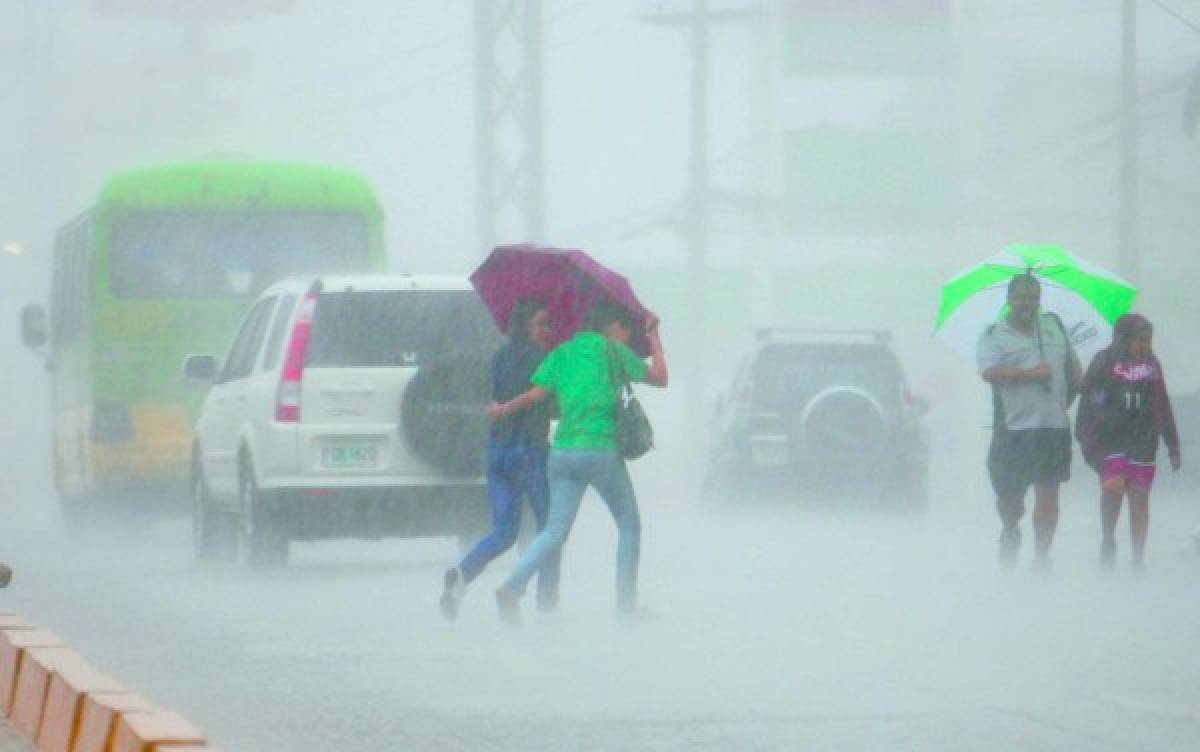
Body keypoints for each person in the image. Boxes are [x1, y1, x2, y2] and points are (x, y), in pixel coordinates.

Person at [487, 299, 667, 623]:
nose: (628, 337)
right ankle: (626, 607)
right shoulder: (612, 351)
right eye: (626, 330)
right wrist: (654, 337)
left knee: (555, 530)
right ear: (611, 326)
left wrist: (503, 409)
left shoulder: (561, 353)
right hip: (600, 450)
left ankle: (512, 586)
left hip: (563, 453)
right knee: (629, 524)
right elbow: (660, 377)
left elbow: (535, 395)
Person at [439, 299, 559, 620]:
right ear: (527, 327)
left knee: (504, 532)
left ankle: (462, 575)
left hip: (497, 453)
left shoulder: (499, 357)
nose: (547, 331)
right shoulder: (544, 360)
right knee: (550, 528)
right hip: (530, 453)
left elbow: (495, 400)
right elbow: (549, 403)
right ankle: (547, 604)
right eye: (541, 324)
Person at [977, 274, 1082, 570]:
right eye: (1021, 297)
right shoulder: (993, 335)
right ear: (1009, 299)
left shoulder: (1054, 326)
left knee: (1048, 491)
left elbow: (1072, 368)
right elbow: (989, 373)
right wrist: (1031, 374)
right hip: (1013, 429)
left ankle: (1041, 557)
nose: (1027, 303)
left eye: (1033, 297)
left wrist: (1073, 387)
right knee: (1010, 498)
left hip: (1053, 427)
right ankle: (1010, 528)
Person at [1075, 313, 1181, 570]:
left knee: (1139, 496)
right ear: (1123, 339)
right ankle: (1108, 538)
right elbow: (1087, 398)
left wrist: (1172, 444)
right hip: (1110, 439)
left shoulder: (1152, 364)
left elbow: (1161, 403)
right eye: (1139, 340)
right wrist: (1085, 433)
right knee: (1113, 487)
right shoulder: (1105, 360)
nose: (1144, 346)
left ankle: (1137, 559)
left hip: (1143, 437)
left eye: (1148, 340)